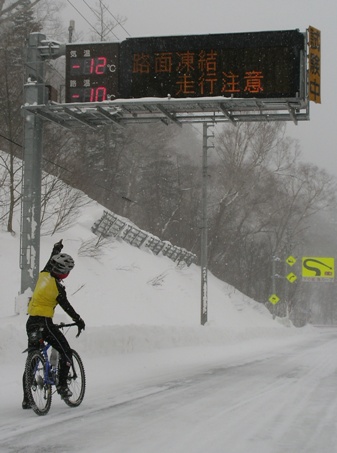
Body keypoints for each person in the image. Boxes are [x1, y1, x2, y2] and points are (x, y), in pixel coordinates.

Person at [22, 240, 85, 409]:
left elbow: (50, 262)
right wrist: (78, 320)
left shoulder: (44, 275)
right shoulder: (58, 289)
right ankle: (62, 386)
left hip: (31, 322)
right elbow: (67, 307)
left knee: (32, 358)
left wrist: (56, 249)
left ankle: (27, 398)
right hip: (45, 323)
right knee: (66, 352)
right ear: (64, 273)